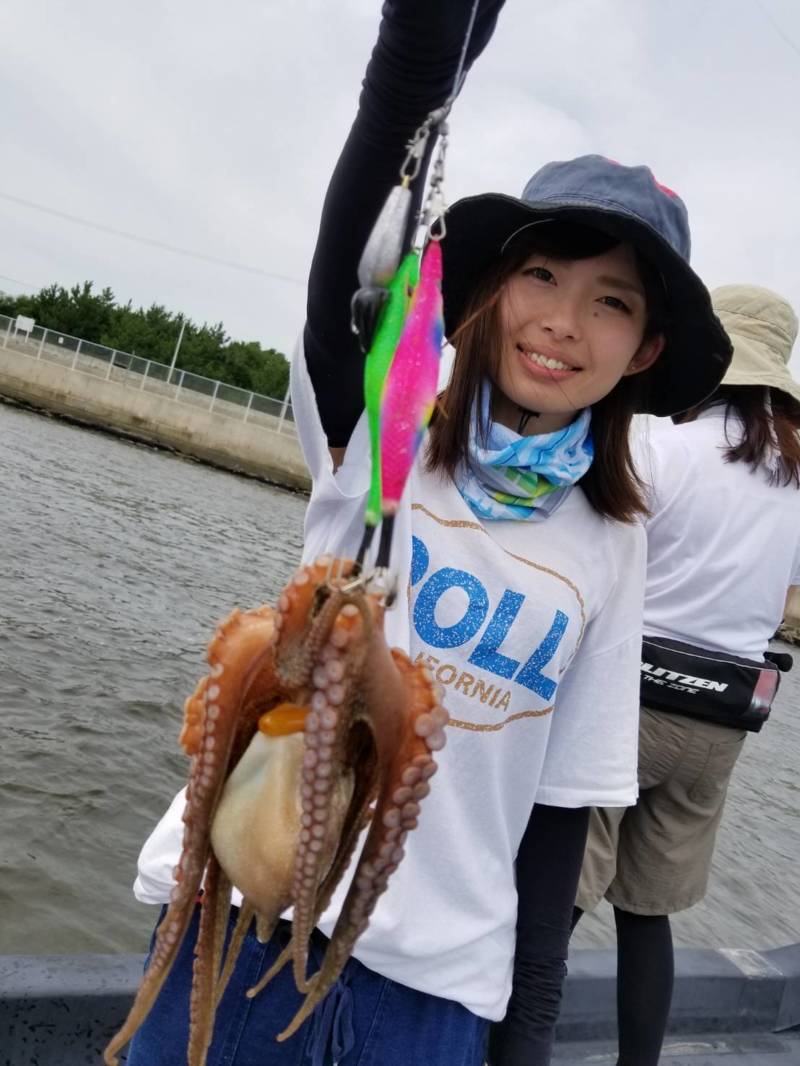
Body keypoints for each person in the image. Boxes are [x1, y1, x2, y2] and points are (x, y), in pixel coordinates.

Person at [124, 3, 730, 1064]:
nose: (562, 319)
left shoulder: (609, 540)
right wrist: (415, 58)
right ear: (488, 290)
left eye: (611, 302)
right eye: (541, 275)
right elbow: (341, 286)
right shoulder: (380, 430)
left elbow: (558, 815)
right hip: (245, 918)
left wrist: (524, 1031)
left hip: (435, 994)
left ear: (642, 350)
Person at [572, 284, 800, 1066]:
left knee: (559, 896)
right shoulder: (796, 482)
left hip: (627, 702)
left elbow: (594, 555)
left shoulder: (660, 448)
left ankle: (496, 1047)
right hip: (721, 723)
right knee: (647, 914)